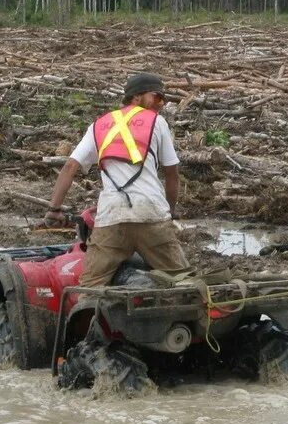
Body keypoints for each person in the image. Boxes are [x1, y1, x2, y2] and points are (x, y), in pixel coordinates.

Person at [45, 72, 189, 287]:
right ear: (136, 97)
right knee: (183, 283)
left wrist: (54, 209)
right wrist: (169, 210)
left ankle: (89, 317)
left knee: (91, 287)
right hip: (151, 213)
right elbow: (171, 173)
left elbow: (70, 166)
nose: (160, 104)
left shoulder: (99, 125)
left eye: (163, 100)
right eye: (157, 98)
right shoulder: (156, 122)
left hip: (112, 216)